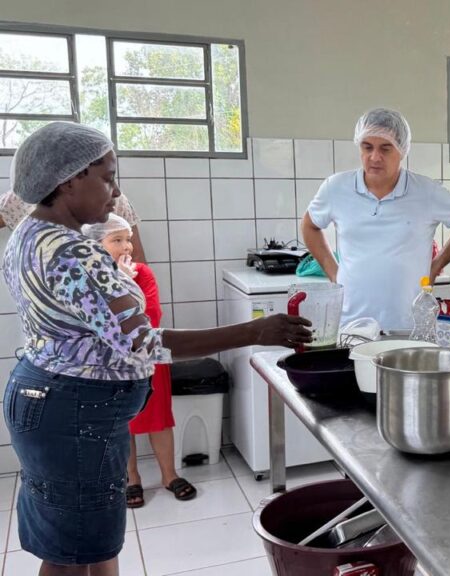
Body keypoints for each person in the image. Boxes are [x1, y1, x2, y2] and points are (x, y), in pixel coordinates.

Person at [2, 122, 312, 576]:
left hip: (52, 402)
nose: (116, 191)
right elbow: (144, 343)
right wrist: (255, 332)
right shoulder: (73, 254)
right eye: (107, 177)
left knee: (93, 541)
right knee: (69, 557)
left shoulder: (28, 234)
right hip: (74, 415)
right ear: (68, 180)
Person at [302, 108, 450, 331]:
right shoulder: (336, 188)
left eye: (385, 148)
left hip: (408, 323)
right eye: (367, 147)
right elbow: (310, 225)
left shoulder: (426, 191)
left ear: (402, 150)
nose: (375, 157)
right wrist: (331, 269)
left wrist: (435, 267)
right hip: (352, 322)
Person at [81, 215, 194, 509]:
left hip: (149, 359)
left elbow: (151, 318)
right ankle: (132, 478)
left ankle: (169, 475)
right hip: (110, 364)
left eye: (127, 238)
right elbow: (97, 325)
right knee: (123, 422)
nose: (127, 246)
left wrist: (128, 285)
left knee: (159, 417)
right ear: (96, 246)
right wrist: (117, 284)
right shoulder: (88, 278)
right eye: (116, 240)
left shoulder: (143, 273)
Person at [1, 187, 148, 262]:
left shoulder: (113, 198)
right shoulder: (24, 197)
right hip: (46, 302)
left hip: (107, 297)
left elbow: (137, 258)